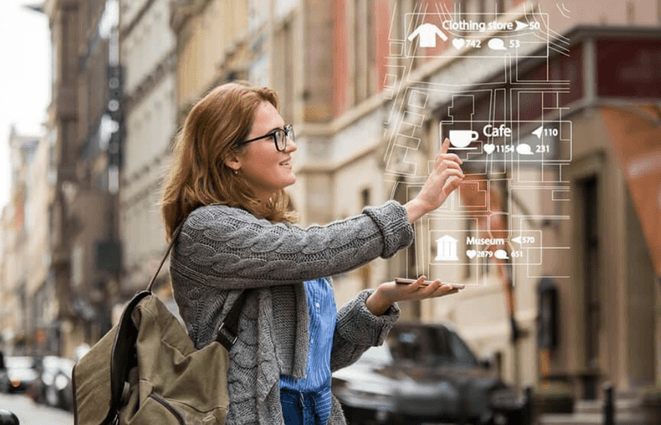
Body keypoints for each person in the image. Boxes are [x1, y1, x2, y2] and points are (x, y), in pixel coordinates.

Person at [160, 81, 465, 425]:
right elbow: (313, 250)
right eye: (275, 136)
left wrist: (377, 302)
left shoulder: (275, 232)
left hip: (317, 412)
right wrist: (415, 206)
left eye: (286, 131)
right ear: (231, 156)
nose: (290, 145)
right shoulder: (208, 231)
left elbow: (317, 358)